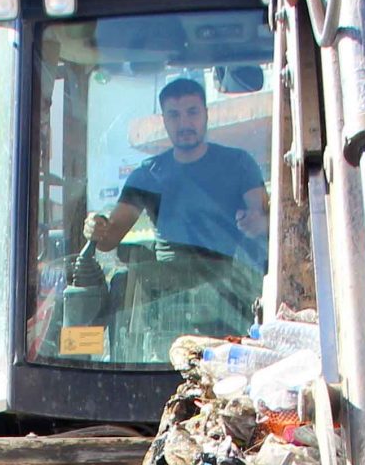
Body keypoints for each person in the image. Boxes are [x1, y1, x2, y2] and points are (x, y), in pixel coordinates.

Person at [88, 77, 267, 348]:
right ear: (164, 120)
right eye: (174, 115)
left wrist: (258, 223)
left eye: (192, 112)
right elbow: (109, 237)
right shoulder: (148, 175)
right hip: (168, 301)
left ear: (206, 113)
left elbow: (266, 221)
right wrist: (94, 227)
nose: (184, 123)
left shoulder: (239, 164)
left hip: (231, 295)